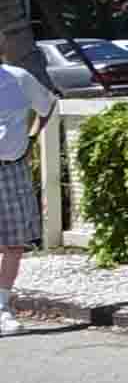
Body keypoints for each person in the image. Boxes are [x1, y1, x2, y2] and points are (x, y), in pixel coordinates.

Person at [0, 56, 60, 334]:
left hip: (12, 169)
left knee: (13, 244)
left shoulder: (19, 78)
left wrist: (32, 138)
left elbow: (47, 105)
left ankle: (1, 308)